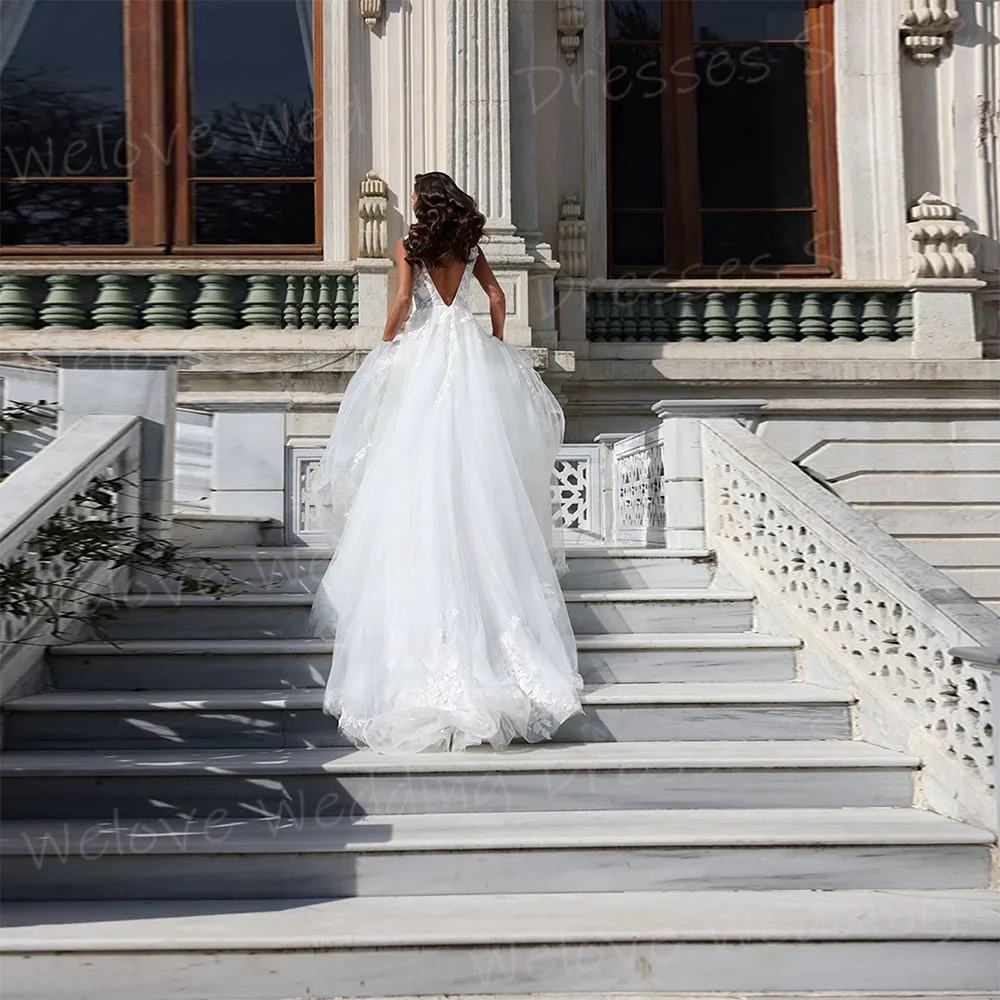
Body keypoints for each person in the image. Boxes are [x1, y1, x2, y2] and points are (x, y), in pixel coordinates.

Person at [306, 170, 584, 753]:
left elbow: (404, 303)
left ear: (420, 203)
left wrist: (384, 345)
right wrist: (497, 344)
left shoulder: (413, 245)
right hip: (467, 353)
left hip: (425, 354)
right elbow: (498, 298)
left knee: (412, 463)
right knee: (478, 472)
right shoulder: (468, 245)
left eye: (412, 196)